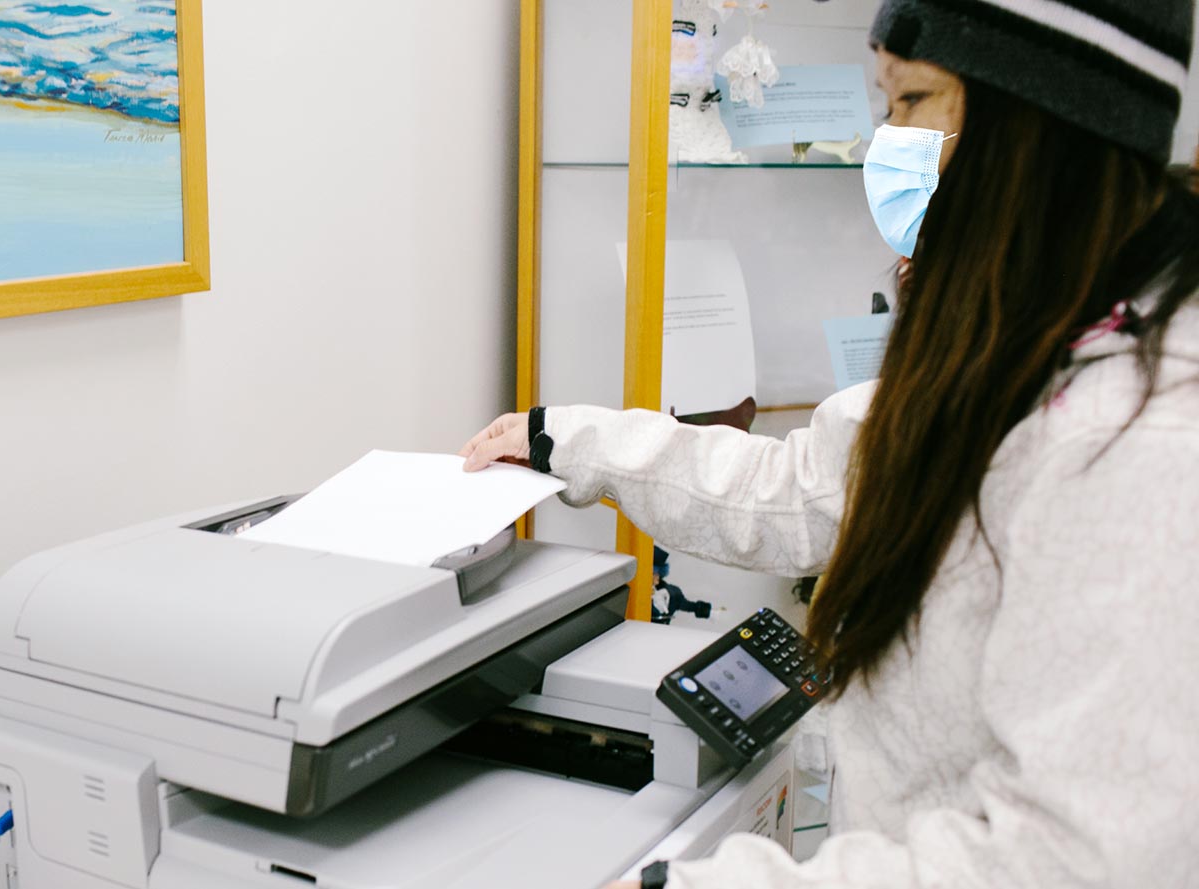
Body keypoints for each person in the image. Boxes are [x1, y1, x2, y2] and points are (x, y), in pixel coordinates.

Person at [459, 0, 1199, 885]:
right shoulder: (1021, 344)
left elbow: (1067, 861)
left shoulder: (1148, 446)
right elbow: (801, 486)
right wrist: (571, 440)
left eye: (914, 100)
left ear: (1040, 130)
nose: (889, 141)